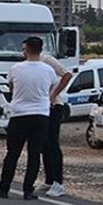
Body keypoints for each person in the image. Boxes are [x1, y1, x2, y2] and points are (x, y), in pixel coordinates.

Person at [0, 37, 59, 201]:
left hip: (19, 114)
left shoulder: (16, 69)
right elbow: (52, 87)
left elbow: (11, 86)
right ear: (40, 50)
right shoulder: (48, 70)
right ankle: (28, 190)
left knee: (12, 153)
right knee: (34, 154)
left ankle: (4, 188)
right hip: (41, 115)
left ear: (26, 49)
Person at [38, 52, 73, 197]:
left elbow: (67, 75)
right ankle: (49, 179)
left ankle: (58, 182)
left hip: (54, 106)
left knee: (52, 144)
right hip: (40, 107)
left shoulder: (46, 60)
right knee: (43, 144)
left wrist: (53, 94)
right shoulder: (27, 64)